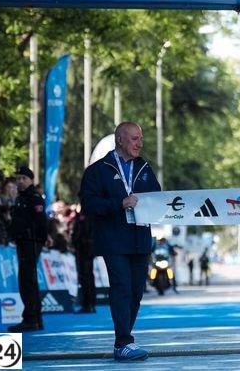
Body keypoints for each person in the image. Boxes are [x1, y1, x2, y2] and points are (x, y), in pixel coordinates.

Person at [79, 122, 160, 362]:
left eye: (140, 139)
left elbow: (157, 197)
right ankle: (123, 342)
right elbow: (89, 205)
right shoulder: (98, 170)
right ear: (120, 140)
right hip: (113, 239)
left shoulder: (144, 166)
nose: (139, 144)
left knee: (136, 292)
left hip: (140, 239)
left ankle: (124, 338)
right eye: (134, 139)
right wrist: (120, 203)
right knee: (122, 287)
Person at [7, 166, 48, 333]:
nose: (20, 181)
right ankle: (35, 318)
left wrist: (39, 240)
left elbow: (40, 222)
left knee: (27, 281)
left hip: (30, 242)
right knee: (27, 280)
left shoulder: (34, 197)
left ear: (31, 180)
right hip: (23, 242)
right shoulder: (20, 198)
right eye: (18, 178)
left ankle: (31, 319)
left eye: (24, 178)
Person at [71, 206, 97, 313]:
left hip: (84, 249)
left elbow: (79, 234)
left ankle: (88, 304)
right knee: (89, 276)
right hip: (88, 249)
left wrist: (75, 241)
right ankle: (90, 303)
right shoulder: (90, 216)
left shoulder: (85, 217)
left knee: (85, 276)